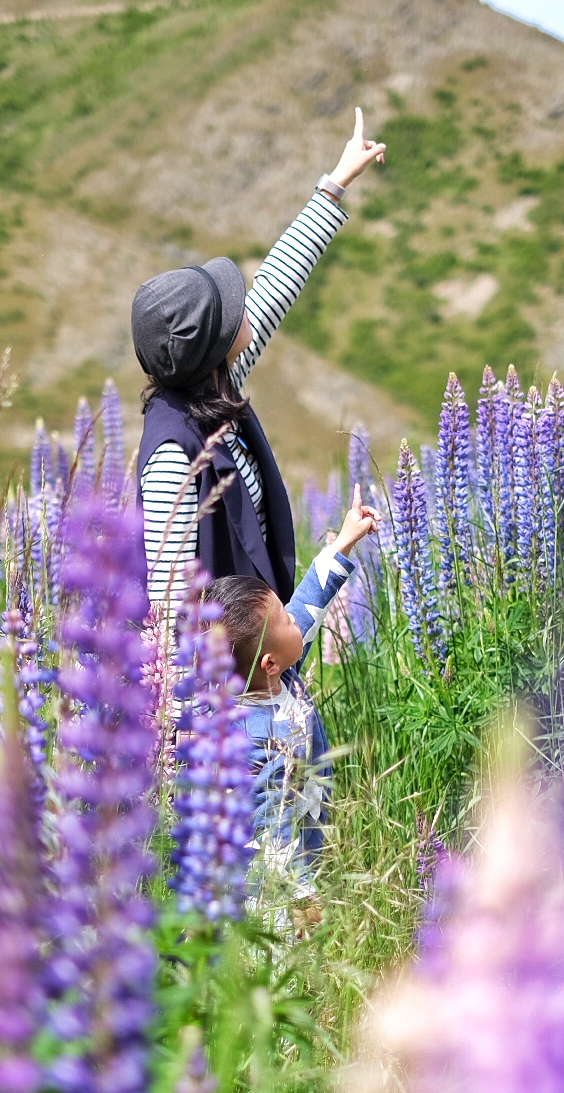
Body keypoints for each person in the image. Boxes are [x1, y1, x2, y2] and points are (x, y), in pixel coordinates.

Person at [133, 108, 386, 622]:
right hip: (220, 688)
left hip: (262, 660)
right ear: (211, 345)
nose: (247, 305)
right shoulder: (170, 456)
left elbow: (277, 285)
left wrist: (334, 185)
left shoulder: (209, 388)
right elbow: (167, 610)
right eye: (230, 311)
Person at [203, 484, 377, 898]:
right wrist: (299, 895)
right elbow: (267, 827)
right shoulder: (254, 737)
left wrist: (346, 541)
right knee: (278, 951)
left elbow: (308, 603)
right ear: (269, 663)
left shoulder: (279, 671)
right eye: (284, 619)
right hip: (271, 883)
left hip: (308, 834)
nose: (294, 618)